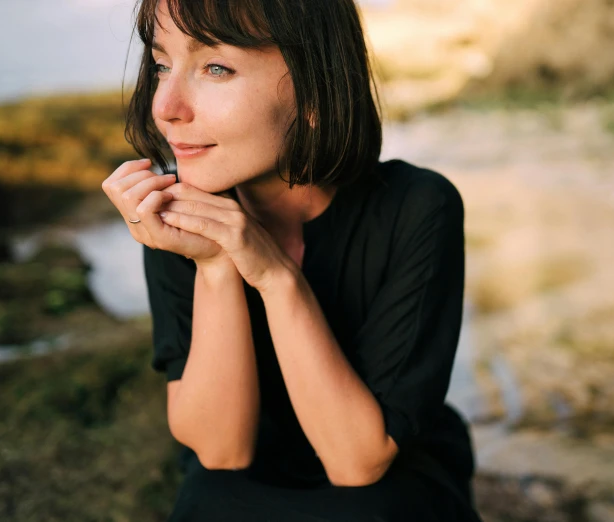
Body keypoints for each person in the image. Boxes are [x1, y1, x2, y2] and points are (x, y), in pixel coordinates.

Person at [101, 0, 483, 520]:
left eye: (216, 67)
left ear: (315, 91)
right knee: (207, 504)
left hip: (385, 471)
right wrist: (215, 266)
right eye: (162, 64)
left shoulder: (418, 206)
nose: (167, 106)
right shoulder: (182, 215)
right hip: (252, 471)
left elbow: (358, 461)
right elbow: (219, 450)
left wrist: (275, 276)